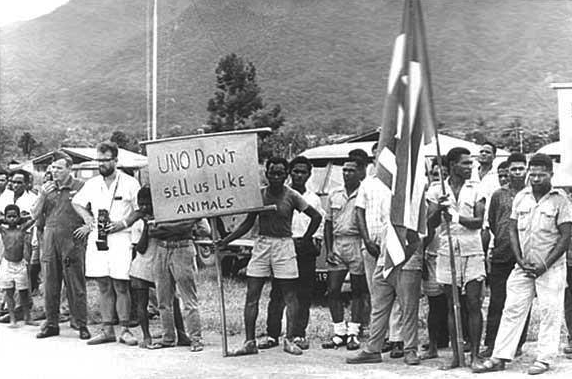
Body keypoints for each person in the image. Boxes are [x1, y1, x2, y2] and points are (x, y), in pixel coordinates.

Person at [474, 153, 572, 375]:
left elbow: (566, 237)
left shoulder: (561, 200)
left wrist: (545, 265)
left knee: (549, 311)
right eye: (533, 174)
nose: (536, 179)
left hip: (550, 268)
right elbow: (511, 228)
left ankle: (544, 359)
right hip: (523, 266)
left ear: (550, 175)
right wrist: (519, 259)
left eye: (541, 175)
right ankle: (499, 356)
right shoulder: (522, 198)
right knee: (512, 309)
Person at [219, 156, 322, 356]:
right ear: (266, 174)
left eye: (280, 174)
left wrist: (306, 239)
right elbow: (248, 223)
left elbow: (316, 217)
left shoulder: (292, 196)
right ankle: (250, 342)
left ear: (286, 176)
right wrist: (226, 240)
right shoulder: (259, 195)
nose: (276, 177)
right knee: (252, 294)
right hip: (262, 244)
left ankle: (290, 339)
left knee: (289, 295)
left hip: (284, 245)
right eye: (272, 173)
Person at [72, 141, 141, 346]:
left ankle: (126, 329)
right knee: (103, 284)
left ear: (115, 160)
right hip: (98, 239)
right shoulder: (92, 184)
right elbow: (77, 202)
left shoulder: (130, 183)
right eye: (98, 160)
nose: (101, 164)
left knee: (120, 284)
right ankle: (107, 329)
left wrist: (124, 223)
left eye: (105, 160)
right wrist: (88, 219)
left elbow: (140, 209)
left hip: (121, 239)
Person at [427, 147, 485, 370]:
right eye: (465, 163)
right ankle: (456, 356)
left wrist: (454, 216)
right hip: (447, 250)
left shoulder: (476, 189)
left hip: (472, 250)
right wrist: (438, 209)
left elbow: (478, 222)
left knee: (472, 303)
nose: (470, 167)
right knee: (453, 305)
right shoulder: (436, 190)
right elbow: (430, 224)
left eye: (471, 164)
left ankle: (475, 356)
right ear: (452, 165)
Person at [259, 156, 324, 351]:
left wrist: (308, 240)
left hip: (304, 248)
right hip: (282, 246)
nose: (298, 175)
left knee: (303, 293)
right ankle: (272, 334)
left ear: (309, 174)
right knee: (278, 293)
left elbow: (318, 221)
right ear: (289, 173)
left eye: (303, 172)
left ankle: (298, 334)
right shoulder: (281, 194)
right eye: (295, 171)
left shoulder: (314, 199)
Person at [32, 151, 90, 339]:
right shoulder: (46, 189)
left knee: (76, 284)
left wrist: (88, 227)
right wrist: (42, 196)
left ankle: (81, 323)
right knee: (50, 284)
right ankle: (51, 324)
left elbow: (94, 210)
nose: (55, 171)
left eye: (59, 168)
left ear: (69, 169)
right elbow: (34, 215)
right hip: (50, 240)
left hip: (73, 241)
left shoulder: (81, 187)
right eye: (53, 168)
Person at [129, 187, 193, 349]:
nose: (144, 208)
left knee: (172, 301)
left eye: (148, 204)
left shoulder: (164, 218)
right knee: (142, 304)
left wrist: (158, 227)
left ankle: (182, 334)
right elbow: (140, 248)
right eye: (141, 204)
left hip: (162, 263)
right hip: (142, 266)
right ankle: (146, 336)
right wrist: (146, 226)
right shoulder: (138, 222)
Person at [480, 153, 529, 358]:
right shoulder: (498, 195)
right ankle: (492, 344)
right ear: (507, 171)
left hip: (525, 255)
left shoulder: (531, 194)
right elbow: (491, 221)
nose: (517, 172)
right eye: (513, 169)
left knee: (520, 301)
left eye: (521, 168)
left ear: (526, 170)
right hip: (501, 254)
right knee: (497, 301)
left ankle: (517, 344)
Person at [147, 206, 211, 352]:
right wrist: (185, 226)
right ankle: (168, 337)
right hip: (163, 248)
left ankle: (195, 338)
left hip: (182, 248)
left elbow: (206, 230)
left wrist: (168, 229)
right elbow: (152, 231)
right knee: (163, 299)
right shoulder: (160, 202)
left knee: (188, 298)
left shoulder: (189, 202)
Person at [322, 155, 369, 351]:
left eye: (351, 170)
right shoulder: (335, 194)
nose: (347, 173)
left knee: (358, 290)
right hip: (339, 244)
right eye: (345, 170)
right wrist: (329, 248)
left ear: (360, 172)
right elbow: (328, 223)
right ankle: (339, 332)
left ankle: (353, 333)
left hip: (357, 242)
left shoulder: (365, 193)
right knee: (333, 290)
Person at [420, 157, 450, 360]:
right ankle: (434, 344)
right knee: (435, 303)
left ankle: (456, 341)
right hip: (433, 253)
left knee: (457, 302)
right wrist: (438, 208)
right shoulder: (430, 194)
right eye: (436, 174)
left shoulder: (463, 189)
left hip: (453, 253)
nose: (440, 178)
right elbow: (428, 225)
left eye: (444, 173)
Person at [0, 204, 38, 327]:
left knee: (23, 293)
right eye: (9, 217)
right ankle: (12, 319)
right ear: (5, 218)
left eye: (14, 216)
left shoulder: (22, 229)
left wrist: (23, 218)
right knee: (9, 292)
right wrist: (3, 219)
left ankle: (27, 317)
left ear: (18, 217)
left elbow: (34, 218)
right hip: (7, 264)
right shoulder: (3, 230)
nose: (12, 219)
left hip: (20, 264)